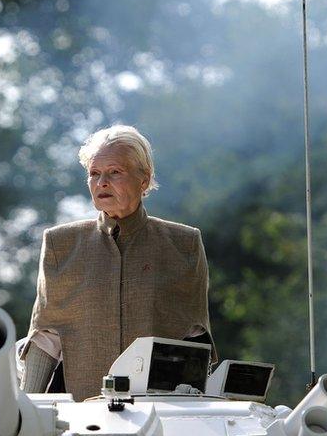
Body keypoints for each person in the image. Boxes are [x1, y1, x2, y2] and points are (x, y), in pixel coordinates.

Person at [20, 125, 215, 400]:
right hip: (80, 411)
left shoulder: (184, 243)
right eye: (94, 174)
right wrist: (25, 411)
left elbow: (194, 337)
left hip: (160, 412)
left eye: (114, 172)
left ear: (144, 180)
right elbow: (46, 338)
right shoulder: (60, 243)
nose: (101, 183)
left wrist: (192, 410)